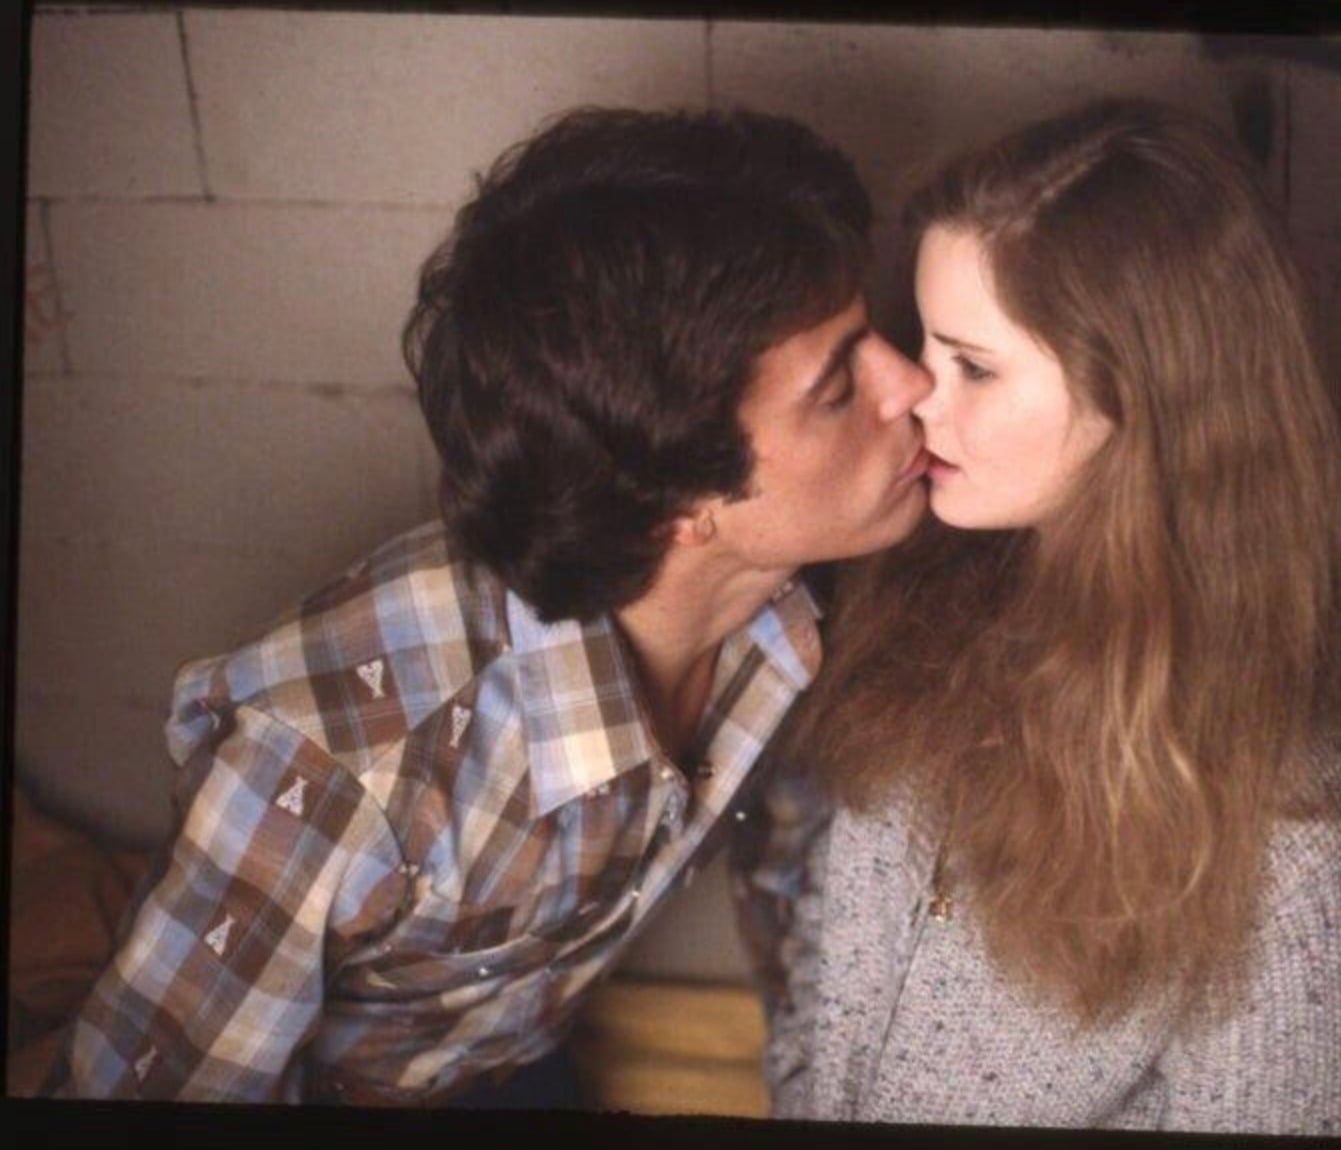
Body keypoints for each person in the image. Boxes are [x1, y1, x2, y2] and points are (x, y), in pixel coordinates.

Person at [52, 105, 933, 1105]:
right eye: (836, 382)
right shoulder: (335, 773)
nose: (912, 381)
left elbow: (801, 878)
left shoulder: (799, 603)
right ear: (680, 504)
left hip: (515, 1058)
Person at [747, 98, 1341, 1134]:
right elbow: (817, 954)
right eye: (923, 342)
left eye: (974, 366)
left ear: (1146, 399)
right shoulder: (917, 605)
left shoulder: (1297, 834)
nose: (914, 397)